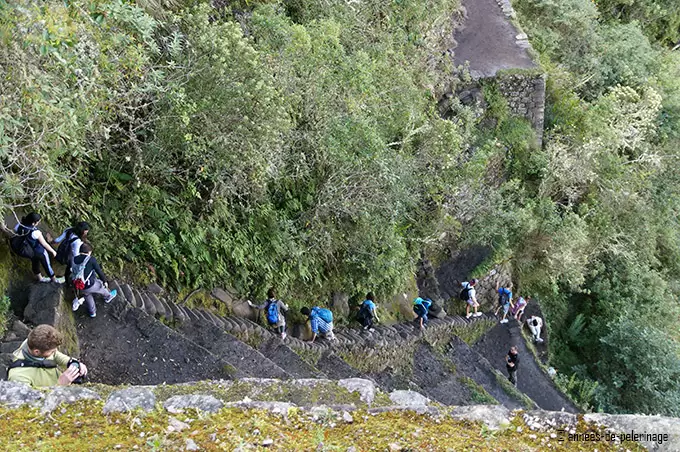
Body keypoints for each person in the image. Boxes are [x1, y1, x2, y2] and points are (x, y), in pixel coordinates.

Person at [7, 324, 88, 387]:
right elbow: (31, 404)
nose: (55, 352)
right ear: (36, 352)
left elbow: (56, 355)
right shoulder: (18, 377)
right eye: (52, 351)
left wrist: (71, 362)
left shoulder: (33, 343)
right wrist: (60, 385)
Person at [10, 212, 62, 283]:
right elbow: (44, 244)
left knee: (35, 263)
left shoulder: (19, 225)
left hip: (28, 251)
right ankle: (54, 279)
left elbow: (15, 234)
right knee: (46, 265)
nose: (39, 223)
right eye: (38, 222)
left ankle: (40, 278)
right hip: (39, 251)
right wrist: (53, 251)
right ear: (33, 223)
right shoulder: (36, 232)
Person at [70, 243, 117, 318]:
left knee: (87, 295)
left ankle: (92, 312)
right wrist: (105, 281)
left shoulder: (73, 259)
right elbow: (99, 271)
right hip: (89, 284)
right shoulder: (91, 259)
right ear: (89, 252)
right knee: (100, 286)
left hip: (78, 285)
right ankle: (108, 296)